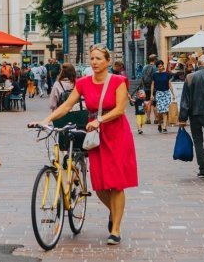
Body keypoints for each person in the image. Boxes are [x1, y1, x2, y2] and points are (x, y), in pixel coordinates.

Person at [35, 45, 137, 246]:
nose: (94, 62)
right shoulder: (83, 83)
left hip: (116, 133)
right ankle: (115, 212)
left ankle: (115, 228)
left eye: (99, 58)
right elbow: (66, 105)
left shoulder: (118, 81)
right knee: (99, 185)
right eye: (92, 58)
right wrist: (46, 120)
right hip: (95, 135)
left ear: (108, 61)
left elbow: (119, 109)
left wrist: (100, 119)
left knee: (115, 184)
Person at [152, 61, 174, 133]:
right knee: (160, 111)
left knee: (165, 111)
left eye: (161, 66)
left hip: (166, 93)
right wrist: (151, 94)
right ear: (157, 67)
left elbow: (169, 84)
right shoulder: (155, 75)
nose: (160, 67)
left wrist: (173, 93)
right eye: (159, 66)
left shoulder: (167, 74)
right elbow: (152, 85)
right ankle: (159, 123)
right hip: (159, 93)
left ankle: (164, 127)